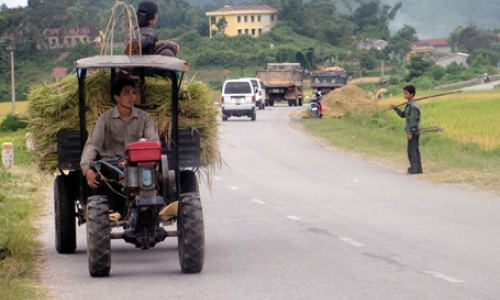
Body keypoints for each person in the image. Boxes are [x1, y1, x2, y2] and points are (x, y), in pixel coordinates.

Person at [80, 79, 160, 220]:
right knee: (115, 169)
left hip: (138, 163)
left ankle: (158, 207)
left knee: (157, 172)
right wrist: (87, 168)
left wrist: (156, 161)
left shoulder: (144, 118)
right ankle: (117, 209)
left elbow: (153, 142)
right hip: (113, 164)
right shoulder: (105, 119)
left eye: (133, 93)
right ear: (116, 98)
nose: (132, 97)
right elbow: (92, 144)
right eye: (126, 93)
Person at [389, 85, 423, 175]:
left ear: (411, 94)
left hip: (413, 131)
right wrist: (395, 108)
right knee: (413, 150)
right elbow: (403, 115)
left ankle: (414, 169)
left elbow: (413, 121)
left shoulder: (413, 107)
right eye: (404, 93)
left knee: (412, 151)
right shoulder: (409, 105)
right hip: (412, 131)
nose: (404, 95)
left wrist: (410, 132)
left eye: (406, 93)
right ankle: (417, 169)